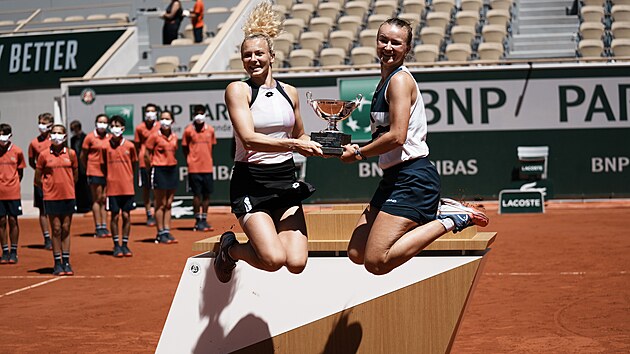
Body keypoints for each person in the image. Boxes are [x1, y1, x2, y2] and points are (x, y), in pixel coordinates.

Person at [339, 18, 489, 275]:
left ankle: (452, 218)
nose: (388, 46)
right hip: (393, 178)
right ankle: (440, 210)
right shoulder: (384, 81)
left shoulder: (399, 81)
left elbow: (397, 136)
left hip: (412, 178)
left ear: (407, 49)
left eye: (395, 43)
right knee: (357, 251)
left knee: (376, 262)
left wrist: (360, 152)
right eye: (383, 40)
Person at [214, 1, 324, 283]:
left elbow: (300, 134)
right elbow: (249, 140)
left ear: (272, 56)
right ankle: (230, 250)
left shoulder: (290, 92)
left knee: (297, 262)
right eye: (247, 55)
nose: (253, 59)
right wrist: (295, 146)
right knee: (273, 260)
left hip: (285, 181)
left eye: (259, 54)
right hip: (251, 183)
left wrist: (329, 147)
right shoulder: (237, 90)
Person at [35, 124, 78, 276]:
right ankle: (57, 262)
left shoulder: (71, 154)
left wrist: (68, 187)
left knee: (66, 228)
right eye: (53, 133)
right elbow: (38, 178)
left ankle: (66, 261)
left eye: (59, 133)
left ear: (65, 136)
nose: (56, 136)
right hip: (52, 197)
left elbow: (75, 175)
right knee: (56, 228)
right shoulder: (43, 155)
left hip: (68, 195)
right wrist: (48, 190)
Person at [102, 116, 138, 257]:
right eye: (113, 125)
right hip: (112, 187)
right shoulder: (105, 146)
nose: (115, 128)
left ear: (123, 128)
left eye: (118, 125)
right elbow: (103, 165)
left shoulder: (130, 146)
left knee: (126, 215)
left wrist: (127, 176)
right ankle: (116, 245)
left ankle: (125, 244)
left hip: (127, 187)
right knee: (115, 216)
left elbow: (133, 164)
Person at [145, 110, 179, 245]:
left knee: (169, 203)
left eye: (167, 118)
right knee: (160, 203)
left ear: (172, 121)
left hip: (172, 169)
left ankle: (166, 230)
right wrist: (152, 166)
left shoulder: (175, 136)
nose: (165, 121)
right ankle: (160, 233)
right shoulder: (154, 136)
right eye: (162, 119)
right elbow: (146, 153)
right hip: (159, 169)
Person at [182, 105, 216, 232]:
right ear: (193, 114)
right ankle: (197, 221)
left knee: (207, 195)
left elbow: (212, 147)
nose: (199, 115)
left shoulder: (211, 130)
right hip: (194, 168)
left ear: (205, 115)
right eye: (197, 113)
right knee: (197, 195)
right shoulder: (188, 130)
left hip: (207, 168)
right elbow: (184, 148)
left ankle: (204, 219)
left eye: (201, 113)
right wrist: (190, 160)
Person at [81, 114, 111, 238]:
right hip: (94, 171)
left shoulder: (110, 138)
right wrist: (89, 167)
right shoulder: (89, 137)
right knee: (97, 198)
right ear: (95, 123)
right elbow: (83, 156)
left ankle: (104, 226)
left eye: (104, 122)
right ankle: (98, 226)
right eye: (100, 122)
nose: (102, 124)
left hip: (108, 172)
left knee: (104, 199)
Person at [0, 124, 26, 265]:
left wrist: (13, 184)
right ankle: (4, 251)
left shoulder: (17, 151)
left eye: (4, 134)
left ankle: (14, 251)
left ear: (10, 135)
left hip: (13, 192)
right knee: (1, 221)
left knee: (13, 220)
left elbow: (20, 171)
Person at [28, 112, 53, 250]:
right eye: (40, 123)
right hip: (41, 182)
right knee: (43, 210)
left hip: (56, 181)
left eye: (44, 123)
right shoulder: (34, 143)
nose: (41, 126)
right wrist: (40, 172)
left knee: (55, 210)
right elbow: (32, 161)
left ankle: (57, 235)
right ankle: (47, 237)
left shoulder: (56, 140)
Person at [135, 104, 159, 226]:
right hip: (144, 163)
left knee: (157, 189)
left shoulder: (160, 126)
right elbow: (138, 145)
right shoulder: (139, 128)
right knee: (146, 189)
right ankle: (148, 213)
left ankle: (157, 213)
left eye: (152, 111)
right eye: (148, 111)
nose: (150, 113)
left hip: (158, 162)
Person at [70, 120, 91, 213]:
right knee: (77, 186)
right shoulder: (72, 139)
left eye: (74, 129)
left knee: (85, 186)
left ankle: (87, 205)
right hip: (76, 165)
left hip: (84, 165)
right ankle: (79, 205)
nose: (73, 131)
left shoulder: (85, 137)